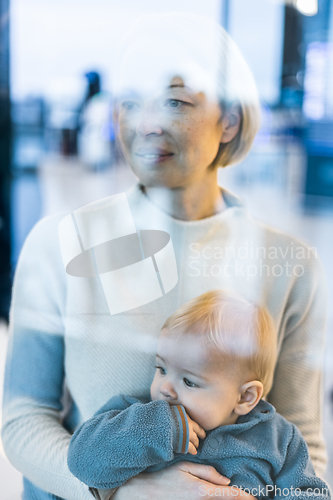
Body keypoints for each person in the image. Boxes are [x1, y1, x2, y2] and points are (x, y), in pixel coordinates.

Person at [1, 12, 327, 500]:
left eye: (175, 101)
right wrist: (125, 492)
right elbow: (24, 419)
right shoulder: (59, 242)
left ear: (229, 120)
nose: (147, 123)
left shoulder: (291, 265)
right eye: (131, 101)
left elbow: (303, 446)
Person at [67, 290, 330, 500]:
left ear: (245, 397)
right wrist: (156, 428)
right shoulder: (133, 416)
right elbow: (82, 462)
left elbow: (307, 493)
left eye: (189, 382)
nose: (165, 388)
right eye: (161, 368)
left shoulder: (278, 439)